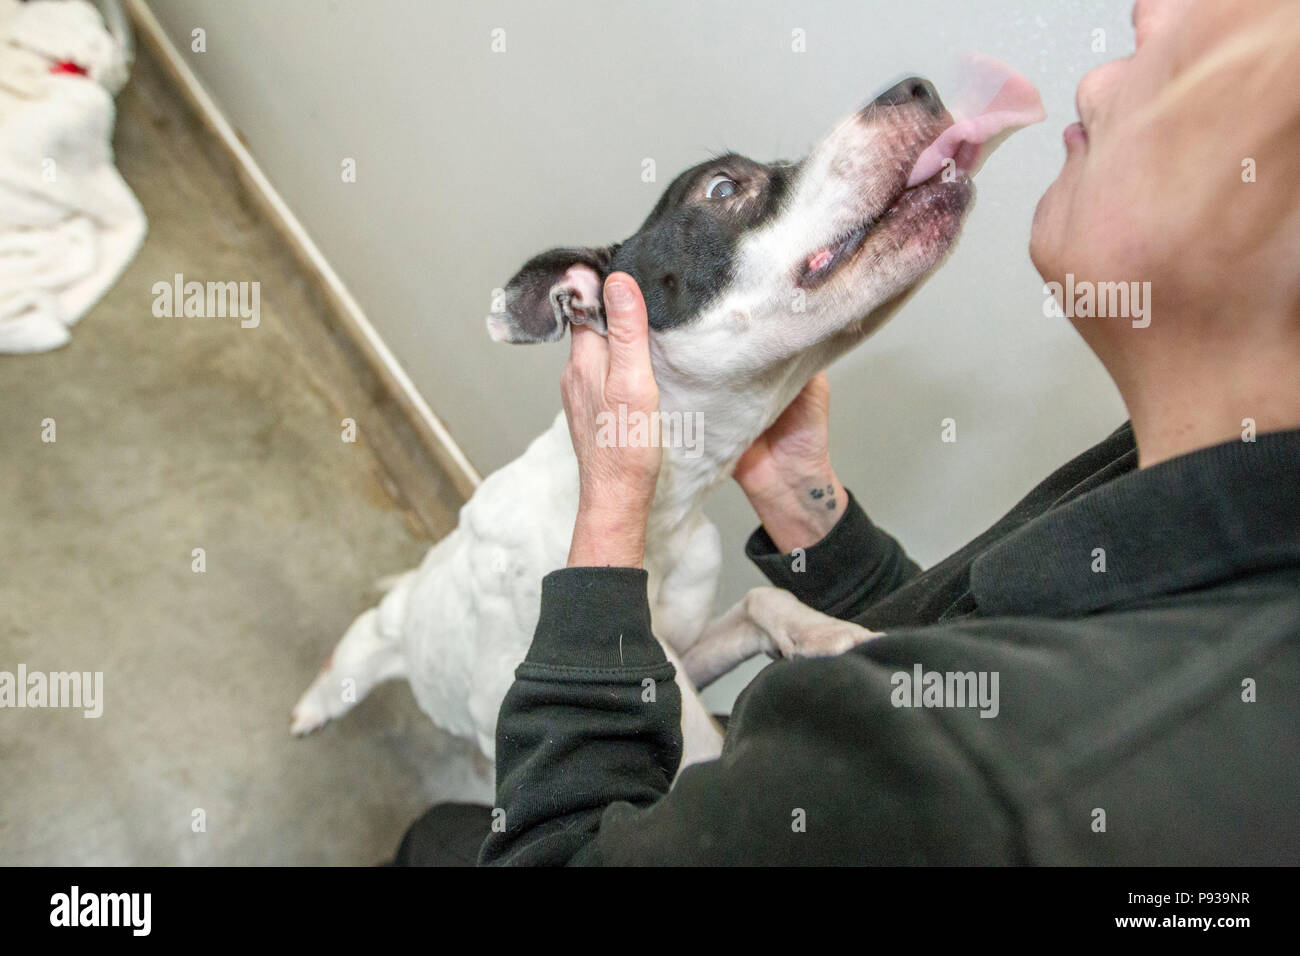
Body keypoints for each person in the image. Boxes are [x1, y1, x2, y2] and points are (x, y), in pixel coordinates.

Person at [407, 0, 1300, 865]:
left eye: (1180, 50)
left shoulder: (990, 795)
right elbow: (966, 631)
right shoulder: (1213, 503)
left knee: (435, 839)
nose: (1099, 79)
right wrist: (809, 507)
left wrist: (606, 523)